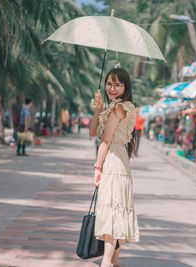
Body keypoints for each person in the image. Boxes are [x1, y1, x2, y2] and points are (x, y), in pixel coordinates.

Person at [89, 68, 140, 267]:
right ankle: (115, 261)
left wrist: (97, 167)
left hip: (115, 162)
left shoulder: (122, 108)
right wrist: (98, 108)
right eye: (109, 84)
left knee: (113, 211)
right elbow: (93, 132)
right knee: (113, 208)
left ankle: (106, 262)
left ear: (125, 87)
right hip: (112, 160)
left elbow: (105, 139)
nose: (112, 88)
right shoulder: (111, 108)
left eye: (117, 84)